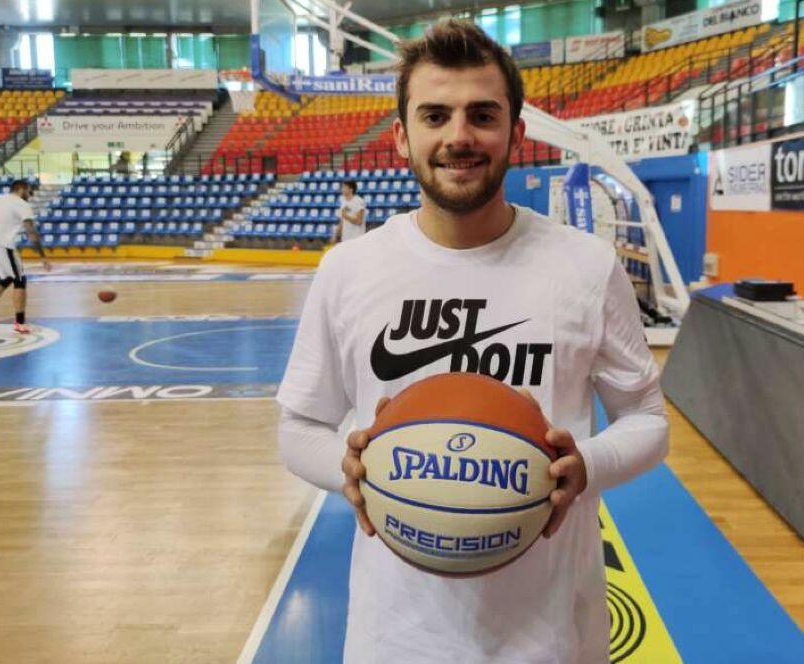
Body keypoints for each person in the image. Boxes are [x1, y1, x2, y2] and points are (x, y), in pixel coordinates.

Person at [276, 20, 668, 663]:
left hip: (551, 639)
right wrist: (346, 470)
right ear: (402, 136)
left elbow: (648, 420)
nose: (459, 136)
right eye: (435, 115)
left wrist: (586, 469)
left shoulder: (586, 267)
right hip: (396, 641)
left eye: (482, 115)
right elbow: (298, 427)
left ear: (516, 134)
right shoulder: (349, 270)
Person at [0, 180, 50, 334]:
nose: (30, 195)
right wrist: (43, 257)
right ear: (21, 189)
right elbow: (31, 232)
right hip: (1, 244)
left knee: (6, 277)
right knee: (20, 280)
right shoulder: (22, 204)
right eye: (29, 191)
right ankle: (20, 323)